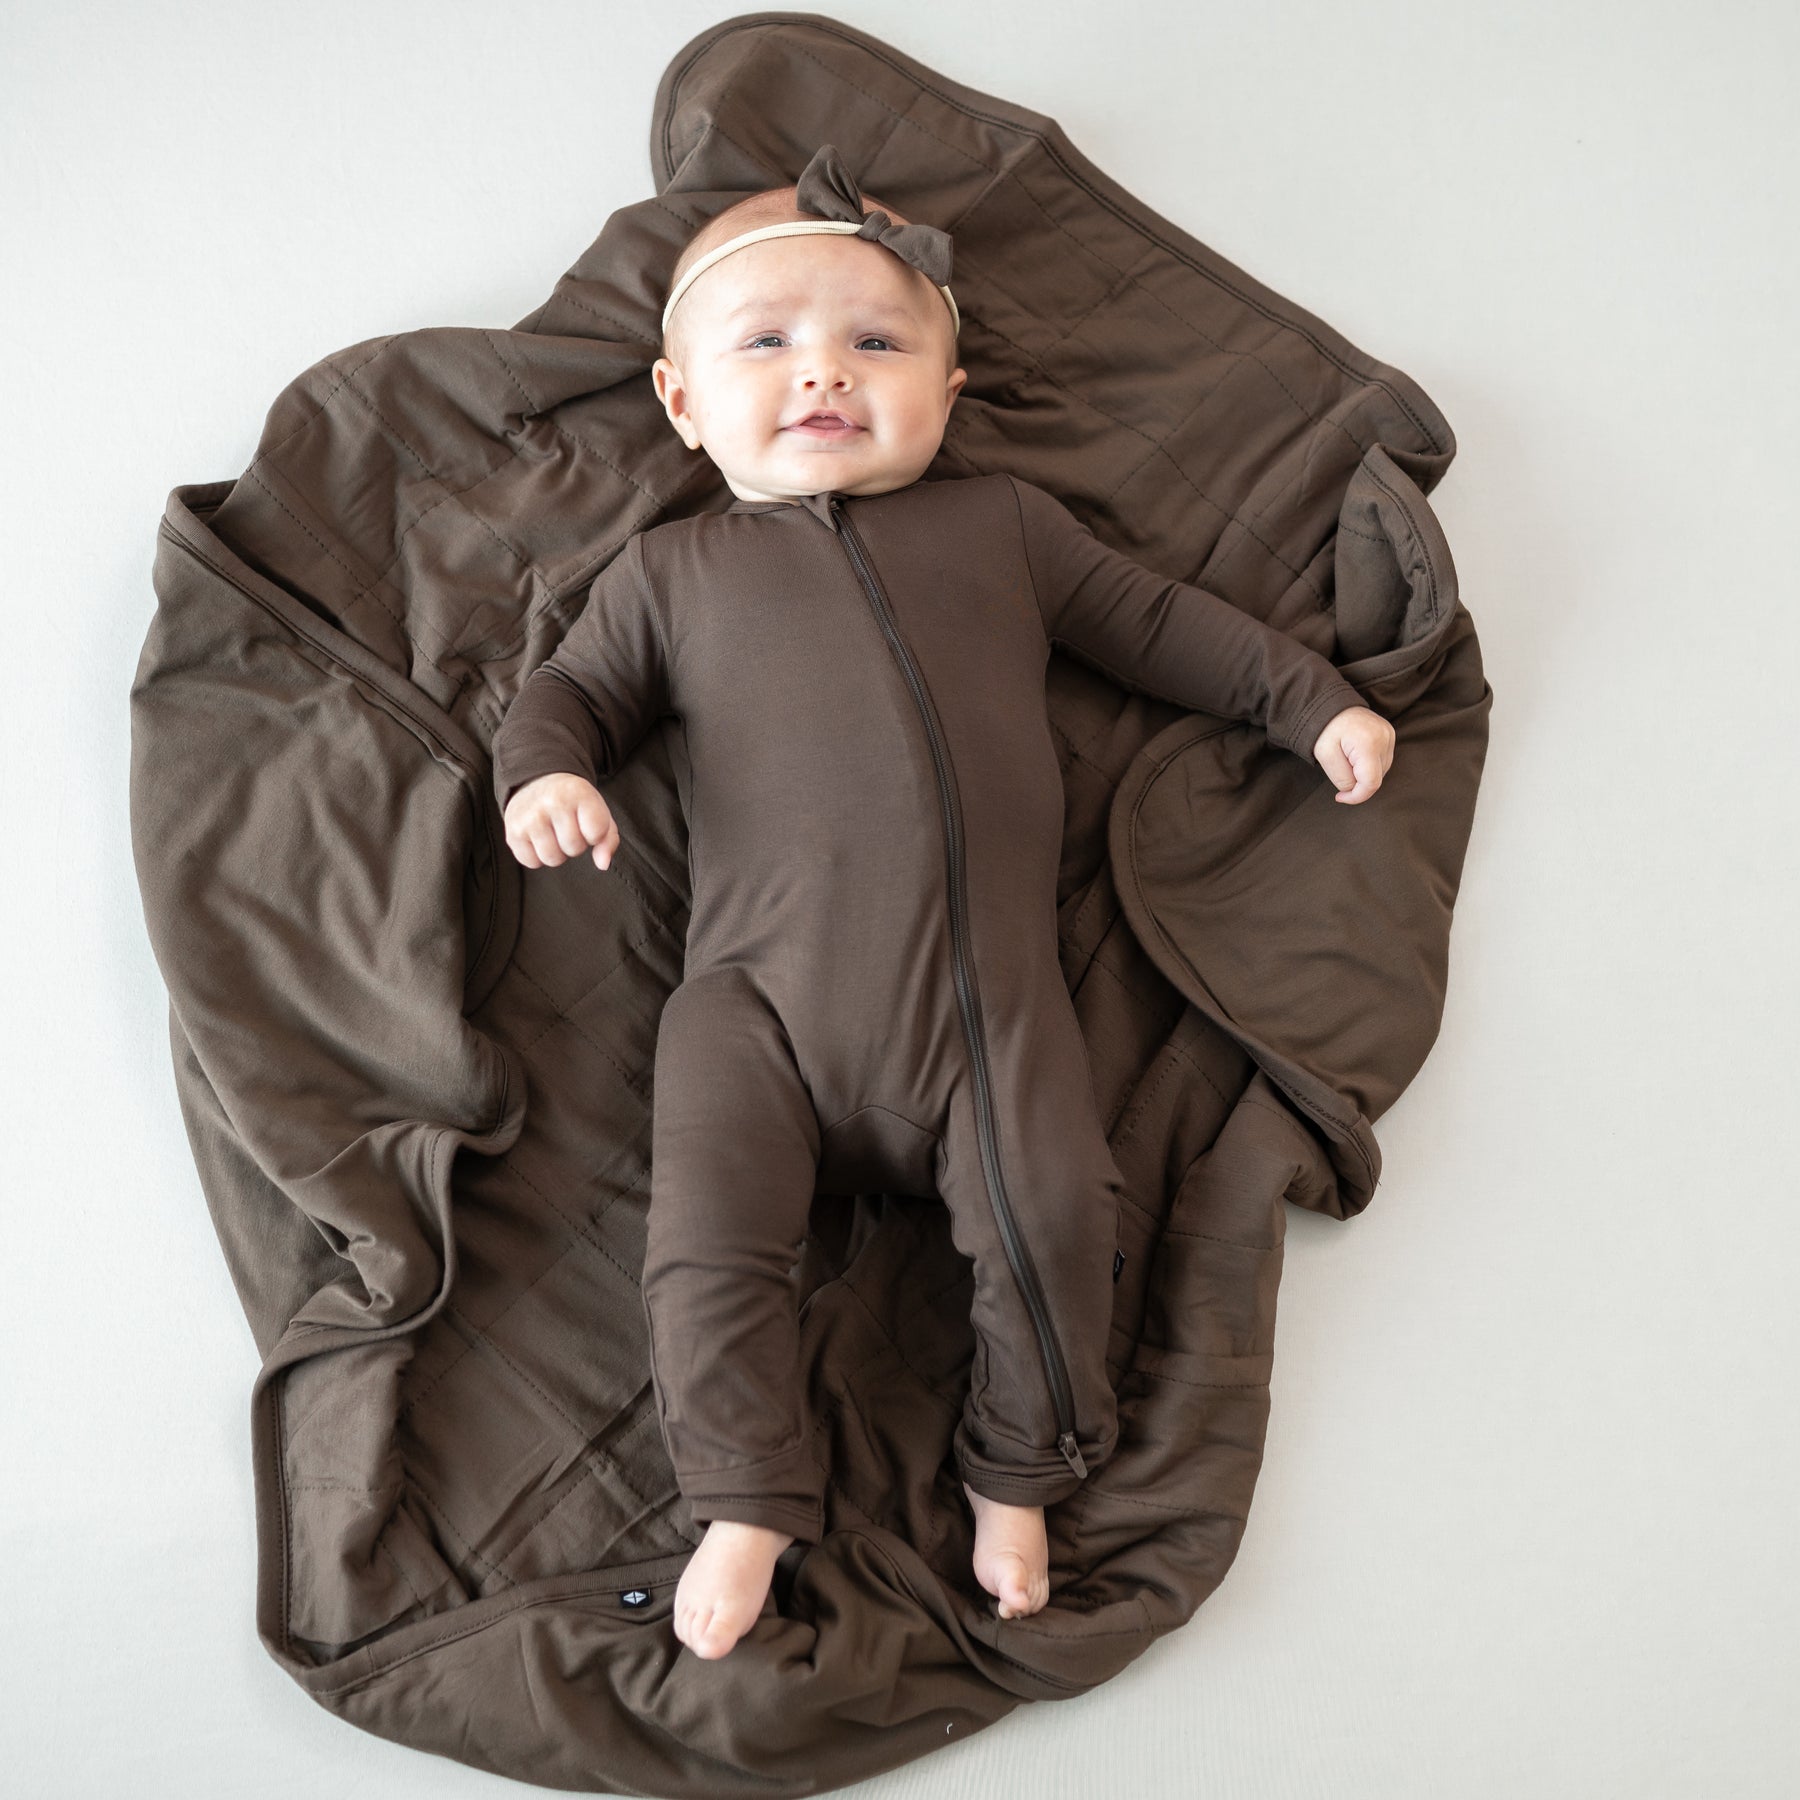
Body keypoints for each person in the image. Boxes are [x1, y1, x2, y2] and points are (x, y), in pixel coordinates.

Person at [490, 144, 1396, 1661]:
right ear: (681, 402)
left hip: (985, 1013)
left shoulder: (1006, 533)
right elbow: (564, 695)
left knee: (1061, 1221)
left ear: (950, 390)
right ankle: (744, 1496)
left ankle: (1018, 1472)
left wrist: (1309, 702)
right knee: (706, 1250)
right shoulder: (669, 574)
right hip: (755, 1012)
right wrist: (544, 778)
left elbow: (1162, 624)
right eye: (767, 342)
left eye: (876, 339)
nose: (824, 372)